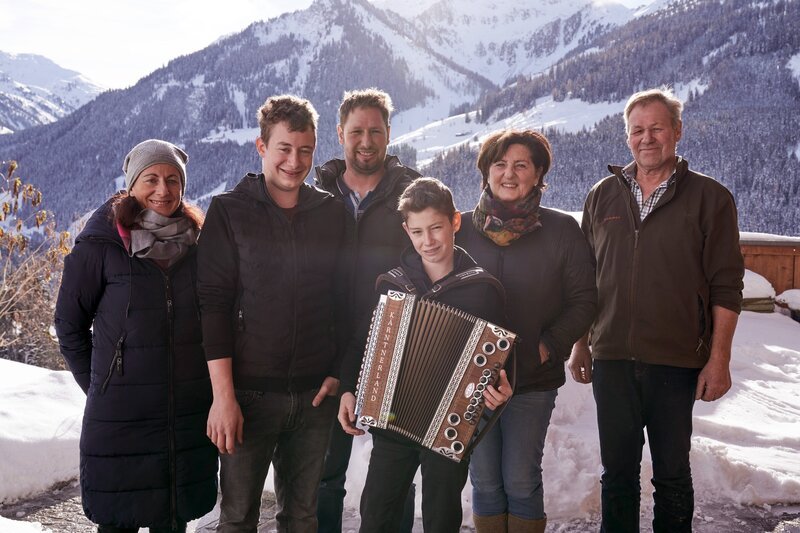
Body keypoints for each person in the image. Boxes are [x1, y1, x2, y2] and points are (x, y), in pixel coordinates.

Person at [568, 87, 745, 532]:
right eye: (637, 130)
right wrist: (580, 345)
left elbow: (727, 285)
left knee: (671, 476)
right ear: (627, 136)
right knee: (618, 476)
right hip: (612, 359)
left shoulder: (711, 198)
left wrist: (718, 358)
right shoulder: (602, 195)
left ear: (677, 132)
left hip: (676, 361)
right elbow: (585, 280)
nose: (646, 138)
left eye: (657, 128)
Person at [197, 95, 346, 532]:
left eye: (305, 150)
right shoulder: (229, 211)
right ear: (262, 147)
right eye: (284, 148)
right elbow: (213, 307)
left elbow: (344, 299)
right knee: (238, 518)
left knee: (301, 517)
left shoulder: (330, 213)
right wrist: (223, 398)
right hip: (248, 397)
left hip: (315, 396)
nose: (294, 161)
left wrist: (337, 370)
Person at [54, 139, 218, 532]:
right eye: (151, 179)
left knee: (172, 520)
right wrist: (101, 382)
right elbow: (69, 325)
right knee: (118, 521)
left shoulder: (198, 244)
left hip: (183, 414)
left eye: (173, 180)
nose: (163, 190)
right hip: (120, 420)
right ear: (132, 184)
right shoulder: (101, 245)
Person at [338, 177, 513, 533]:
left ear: (455, 222)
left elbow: (502, 361)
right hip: (392, 420)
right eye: (417, 232)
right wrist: (346, 387)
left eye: (436, 228)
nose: (428, 241)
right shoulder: (392, 284)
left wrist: (504, 390)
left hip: (450, 429)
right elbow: (362, 342)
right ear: (407, 231)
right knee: (377, 516)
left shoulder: (483, 290)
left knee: (442, 518)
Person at [456, 129, 597, 532]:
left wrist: (548, 346)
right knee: (483, 481)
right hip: (472, 380)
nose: (509, 173)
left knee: (519, 479)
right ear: (486, 172)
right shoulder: (460, 229)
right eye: (499, 164)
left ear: (538, 174)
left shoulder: (561, 231)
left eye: (521, 165)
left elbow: (584, 299)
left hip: (531, 379)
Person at [314, 88, 420, 532]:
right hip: (327, 355)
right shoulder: (316, 195)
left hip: (394, 352)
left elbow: (434, 262)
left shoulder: (413, 191)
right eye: (356, 131)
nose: (366, 140)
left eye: (375, 131)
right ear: (340, 133)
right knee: (323, 477)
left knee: (393, 476)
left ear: (389, 134)